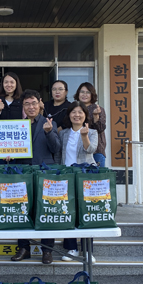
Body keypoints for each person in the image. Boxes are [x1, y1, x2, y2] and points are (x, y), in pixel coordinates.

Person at [10, 89, 62, 265]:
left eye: (33, 103)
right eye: (27, 104)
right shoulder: (17, 125)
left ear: (40, 103)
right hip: (23, 174)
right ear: (23, 106)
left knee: (46, 211)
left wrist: (49, 132)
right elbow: (12, 151)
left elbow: (56, 149)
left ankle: (47, 250)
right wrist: (8, 155)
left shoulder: (49, 124)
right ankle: (24, 248)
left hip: (44, 173)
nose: (31, 107)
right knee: (22, 211)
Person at [56, 101, 99, 262]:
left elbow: (91, 150)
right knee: (68, 212)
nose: (77, 115)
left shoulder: (92, 132)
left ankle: (88, 251)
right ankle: (71, 248)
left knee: (86, 212)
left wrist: (84, 135)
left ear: (85, 115)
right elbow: (58, 154)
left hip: (85, 177)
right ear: (69, 115)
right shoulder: (63, 133)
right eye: (73, 112)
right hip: (66, 177)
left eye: (80, 112)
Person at [74, 82, 106, 167]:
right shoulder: (74, 108)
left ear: (92, 95)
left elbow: (100, 129)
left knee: (96, 179)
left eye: (88, 92)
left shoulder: (98, 109)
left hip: (96, 151)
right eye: (82, 92)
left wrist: (96, 116)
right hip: (78, 150)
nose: (84, 95)